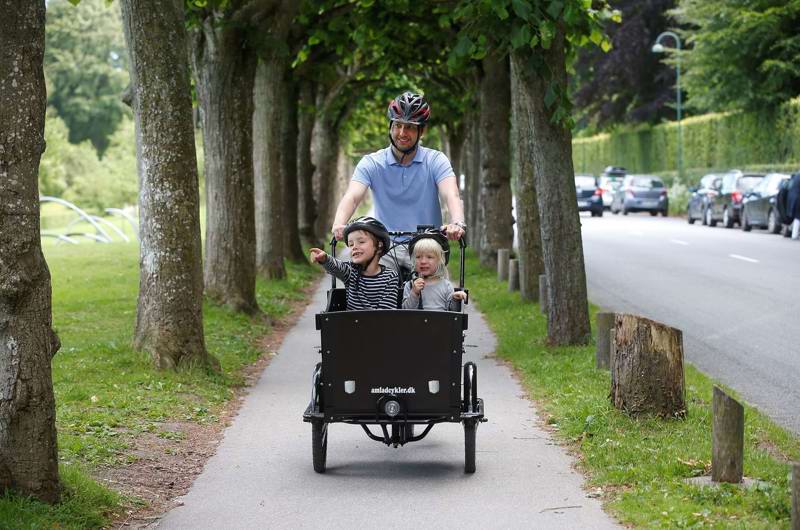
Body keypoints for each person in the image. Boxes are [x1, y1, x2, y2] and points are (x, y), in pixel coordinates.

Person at [330, 91, 466, 276]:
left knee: (436, 297)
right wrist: (339, 223)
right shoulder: (372, 162)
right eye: (398, 125)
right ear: (390, 126)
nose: (402, 133)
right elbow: (352, 196)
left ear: (421, 131)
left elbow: (451, 194)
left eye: (410, 127)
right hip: (385, 246)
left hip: (426, 245)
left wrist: (457, 222)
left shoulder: (436, 160)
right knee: (371, 289)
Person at [309, 217, 398, 310]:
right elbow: (337, 267)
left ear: (379, 245)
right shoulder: (351, 272)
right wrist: (324, 259)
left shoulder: (390, 276)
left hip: (380, 323)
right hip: (352, 323)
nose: (354, 247)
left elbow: (387, 312)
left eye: (361, 242)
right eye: (351, 244)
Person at [402, 232, 467, 311]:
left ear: (439, 261)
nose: (423, 261)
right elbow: (406, 313)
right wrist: (414, 293)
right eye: (418, 257)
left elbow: (452, 316)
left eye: (429, 257)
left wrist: (455, 299)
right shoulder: (410, 285)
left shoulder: (446, 286)